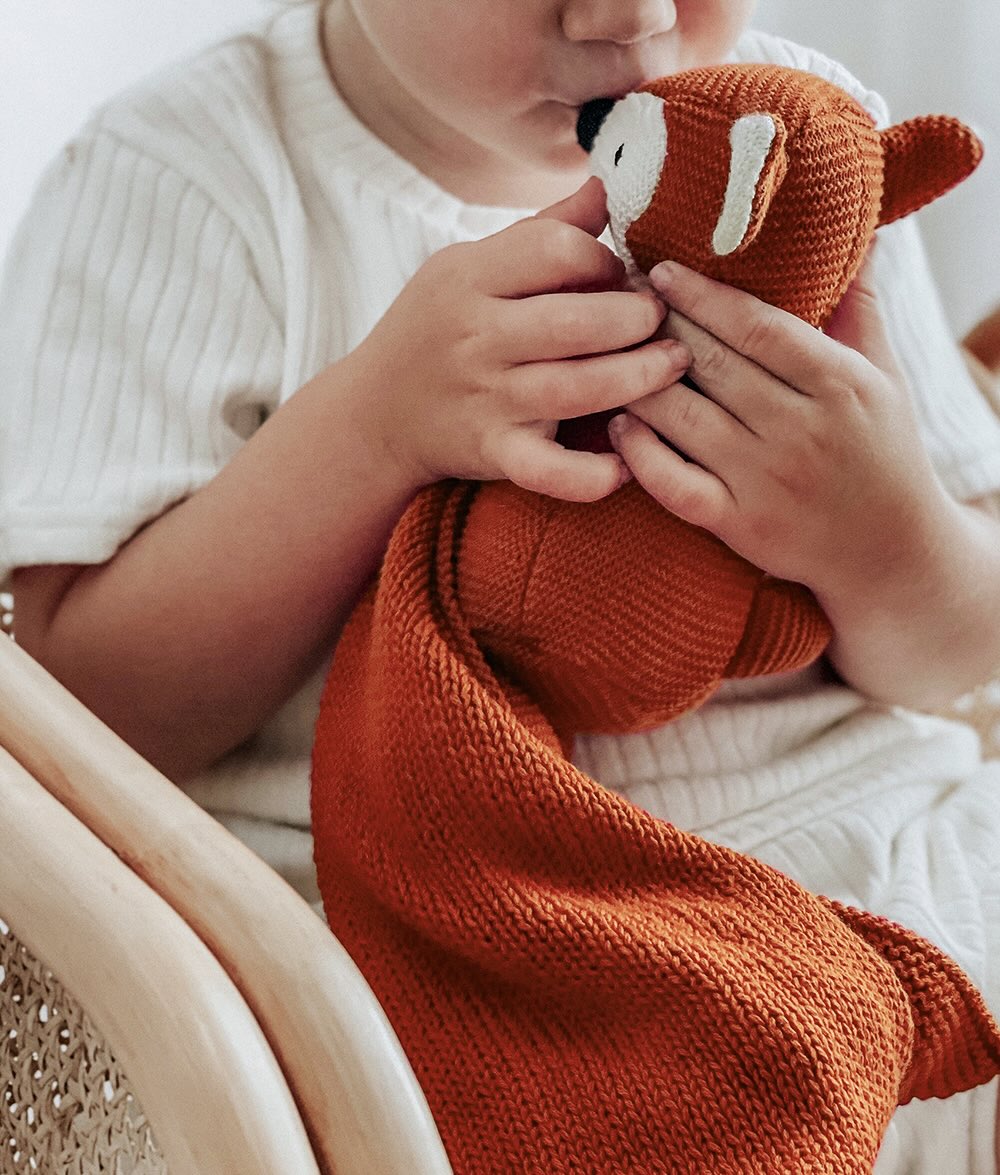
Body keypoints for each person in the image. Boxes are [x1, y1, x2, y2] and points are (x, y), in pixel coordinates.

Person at [1, 0, 999, 1168]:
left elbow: (958, 658)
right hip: (461, 947)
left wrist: (881, 532)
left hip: (890, 864)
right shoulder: (183, 171)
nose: (629, 14)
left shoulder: (810, 138)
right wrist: (370, 431)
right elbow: (82, 715)